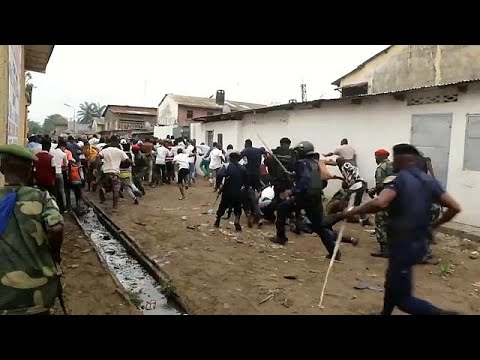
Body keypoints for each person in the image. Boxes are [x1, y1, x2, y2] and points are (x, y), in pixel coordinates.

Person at [343, 143, 462, 315]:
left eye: (395, 159)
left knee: (403, 299)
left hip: (403, 244)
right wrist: (434, 226)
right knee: (392, 283)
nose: (393, 163)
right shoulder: (429, 180)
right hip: (417, 243)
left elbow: (380, 202)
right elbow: (454, 207)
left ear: (403, 160)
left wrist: (353, 211)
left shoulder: (400, 180)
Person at [0, 144, 64, 315]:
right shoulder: (42, 198)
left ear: (1, 168)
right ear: (29, 172)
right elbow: (56, 228)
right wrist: (55, 254)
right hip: (39, 292)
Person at [270, 141, 338, 260]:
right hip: (315, 197)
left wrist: (292, 191)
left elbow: (306, 180)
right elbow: (313, 180)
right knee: (318, 226)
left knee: (281, 208)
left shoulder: (301, 163)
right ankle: (334, 251)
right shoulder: (315, 163)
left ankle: (281, 237)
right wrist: (294, 175)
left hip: (303, 197)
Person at [367, 149, 394, 258]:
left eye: (376, 156)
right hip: (394, 197)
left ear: (380, 156)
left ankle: (384, 250)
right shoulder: (393, 165)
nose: (375, 159)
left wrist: (373, 191)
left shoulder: (381, 168)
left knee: (380, 222)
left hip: (384, 199)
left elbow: (380, 185)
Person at [214, 151, 247, 231]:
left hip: (227, 190)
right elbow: (245, 181)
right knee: (238, 207)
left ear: (230, 159)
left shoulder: (226, 166)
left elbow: (220, 175)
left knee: (223, 206)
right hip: (238, 191)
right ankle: (236, 220)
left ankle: (218, 220)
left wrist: (218, 186)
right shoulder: (243, 168)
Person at [97, 135, 131, 213]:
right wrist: (132, 163)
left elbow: (97, 157)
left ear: (110, 141)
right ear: (117, 142)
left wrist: (98, 167)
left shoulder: (105, 150)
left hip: (105, 172)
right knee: (116, 190)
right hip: (115, 172)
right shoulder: (120, 151)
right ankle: (114, 208)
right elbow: (128, 160)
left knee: (107, 185)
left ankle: (104, 190)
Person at [336, 157, 371, 226]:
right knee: (359, 203)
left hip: (356, 186)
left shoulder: (344, 167)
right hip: (360, 185)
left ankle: (350, 216)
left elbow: (351, 178)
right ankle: (365, 219)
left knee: (352, 203)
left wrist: (349, 188)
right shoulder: (349, 166)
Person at [50, 139, 68, 213]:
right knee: (61, 190)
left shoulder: (51, 151)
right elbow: (66, 164)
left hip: (52, 174)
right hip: (59, 173)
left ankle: (53, 206)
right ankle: (64, 207)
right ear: (62, 146)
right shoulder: (63, 154)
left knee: (53, 190)